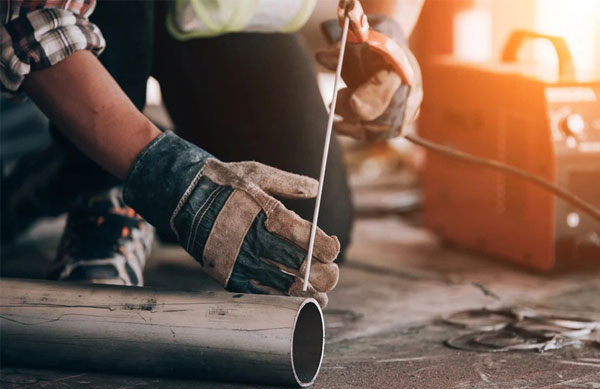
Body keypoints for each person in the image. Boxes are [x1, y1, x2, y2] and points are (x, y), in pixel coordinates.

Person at [0, 0, 423, 308]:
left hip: (212, 18)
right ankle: (98, 183)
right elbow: (32, 27)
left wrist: (387, 31)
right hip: (100, 16)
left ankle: (75, 161)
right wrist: (164, 173)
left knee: (304, 227)